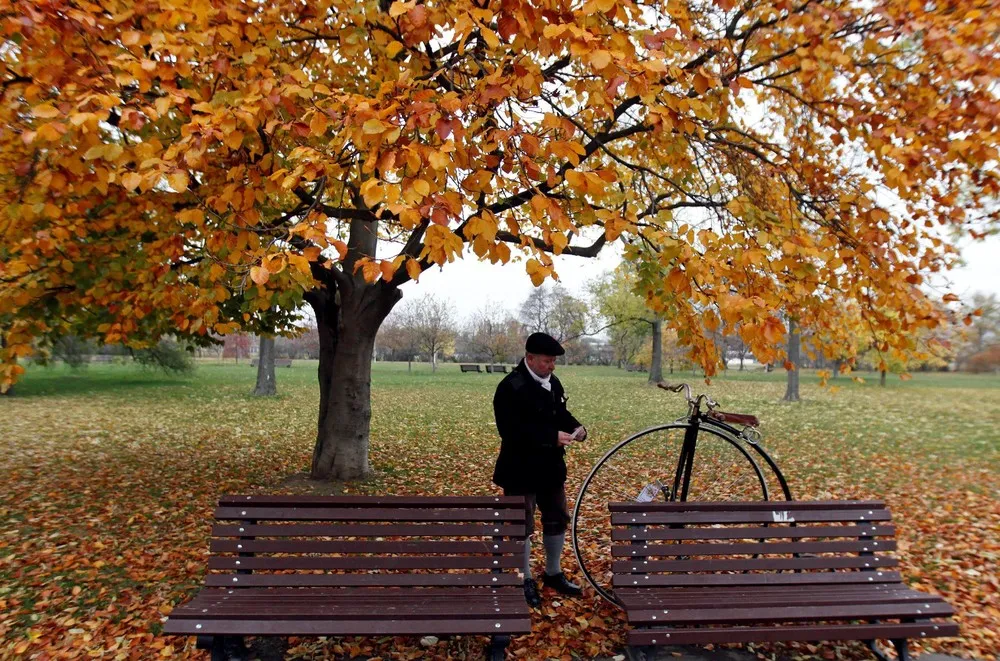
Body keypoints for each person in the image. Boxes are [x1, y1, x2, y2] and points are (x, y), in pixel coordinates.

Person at [492, 332, 588, 607]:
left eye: (553, 361)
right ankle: (523, 577)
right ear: (530, 358)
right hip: (519, 469)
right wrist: (550, 436)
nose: (552, 366)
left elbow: (560, 414)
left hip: (550, 469)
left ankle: (553, 572)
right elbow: (510, 431)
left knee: (557, 518)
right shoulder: (510, 386)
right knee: (521, 525)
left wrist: (576, 428)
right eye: (547, 361)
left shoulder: (552, 382)